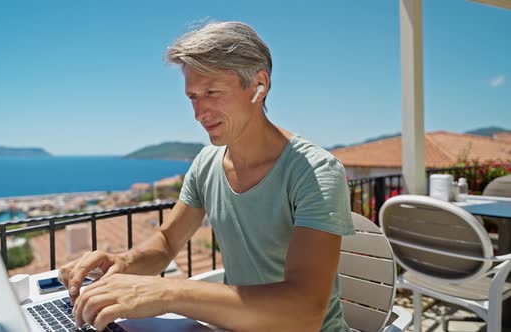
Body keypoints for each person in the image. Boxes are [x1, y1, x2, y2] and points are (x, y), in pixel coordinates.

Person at [59, 21, 355, 331]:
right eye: (193, 97)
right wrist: (122, 263)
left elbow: (304, 312)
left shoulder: (316, 171)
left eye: (212, 92)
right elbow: (166, 242)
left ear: (259, 86)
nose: (199, 113)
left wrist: (169, 292)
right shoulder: (207, 163)